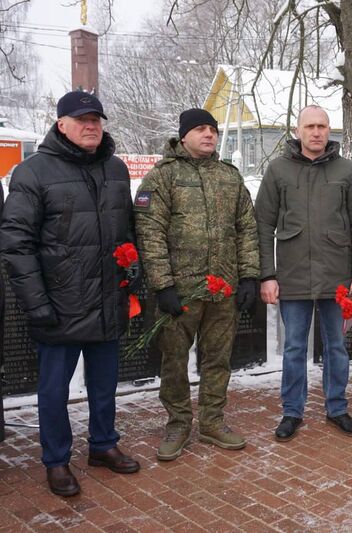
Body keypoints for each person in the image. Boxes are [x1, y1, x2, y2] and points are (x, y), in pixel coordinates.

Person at [0, 90, 141, 497]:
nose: (91, 125)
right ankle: (57, 460)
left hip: (106, 300)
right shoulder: (33, 172)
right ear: (61, 124)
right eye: (82, 119)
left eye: (96, 119)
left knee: (104, 383)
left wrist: (132, 265)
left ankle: (102, 444)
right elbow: (15, 244)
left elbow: (126, 229)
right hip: (59, 305)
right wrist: (37, 303)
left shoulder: (116, 169)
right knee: (54, 391)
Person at [134, 108, 260, 461]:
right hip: (181, 291)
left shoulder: (230, 178)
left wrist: (248, 275)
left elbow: (246, 229)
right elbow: (150, 233)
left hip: (222, 290)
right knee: (174, 360)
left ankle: (211, 421)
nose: (209, 135)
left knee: (218, 359)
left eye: (213, 130)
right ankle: (177, 422)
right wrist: (163, 286)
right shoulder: (163, 178)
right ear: (183, 135)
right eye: (201, 129)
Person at [255, 105, 352, 442]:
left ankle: (337, 407)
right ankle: (292, 410)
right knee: (293, 348)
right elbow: (263, 225)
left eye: (322, 126)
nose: (316, 132)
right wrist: (267, 275)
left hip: (338, 278)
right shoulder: (278, 170)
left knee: (336, 346)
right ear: (298, 130)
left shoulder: (346, 171)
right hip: (292, 275)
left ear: (329, 129)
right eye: (310, 126)